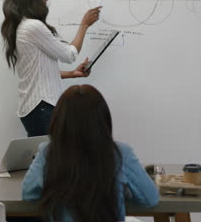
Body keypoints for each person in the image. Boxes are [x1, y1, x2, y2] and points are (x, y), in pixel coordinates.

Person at [22, 85, 159, 222]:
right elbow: (150, 198)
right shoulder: (121, 152)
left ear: (59, 120)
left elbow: (28, 193)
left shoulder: (48, 151)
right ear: (103, 119)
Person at [1, 0, 102, 137]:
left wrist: (73, 74)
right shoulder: (33, 27)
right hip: (42, 108)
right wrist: (84, 25)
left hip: (37, 108)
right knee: (51, 159)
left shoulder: (23, 25)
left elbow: (38, 71)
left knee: (49, 157)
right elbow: (70, 54)